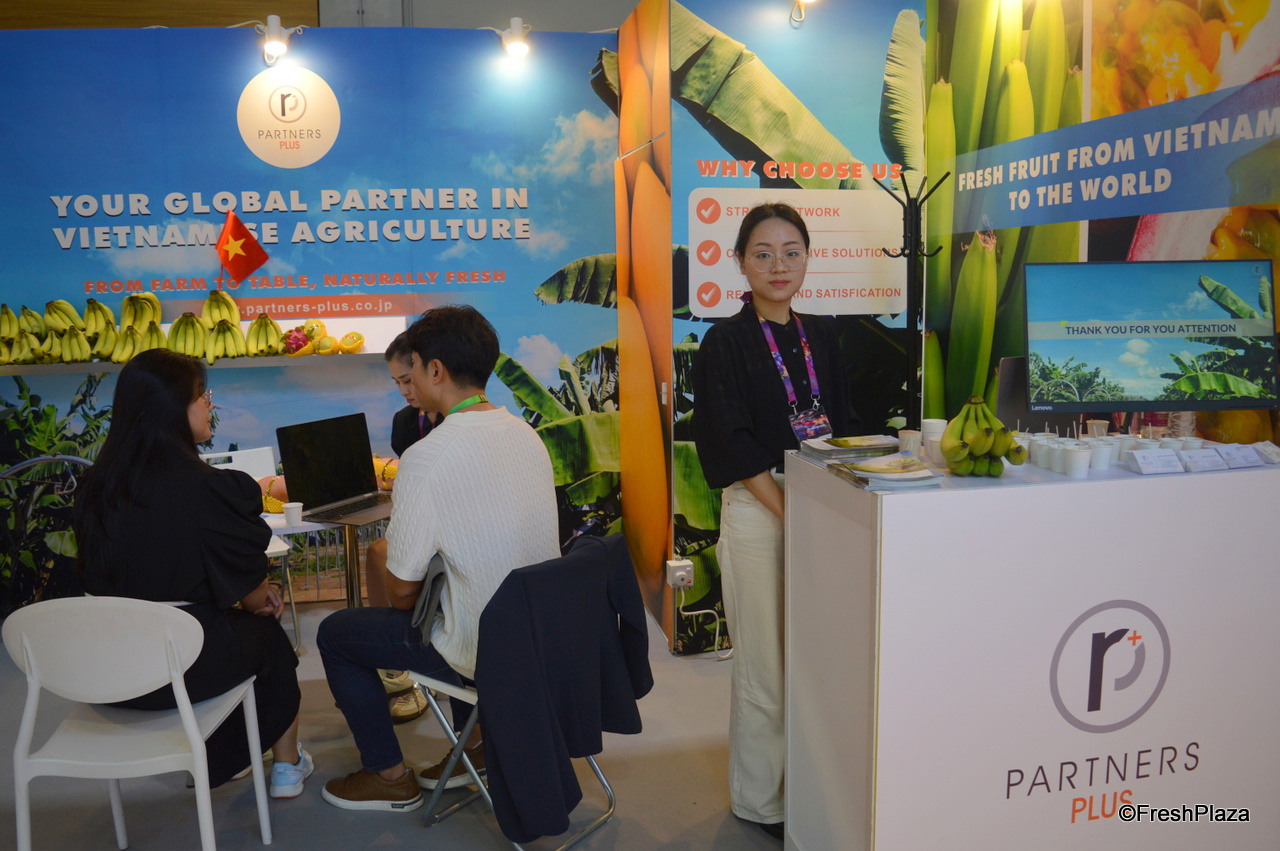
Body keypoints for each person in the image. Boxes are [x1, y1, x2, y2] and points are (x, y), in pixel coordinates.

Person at [318, 305, 559, 812]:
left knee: (336, 634)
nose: (406, 386)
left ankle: (386, 775)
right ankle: (479, 746)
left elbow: (402, 592)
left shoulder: (427, 456)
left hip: (479, 648)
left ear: (435, 370)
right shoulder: (526, 434)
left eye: (411, 370)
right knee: (455, 598)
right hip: (541, 636)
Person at [72, 349, 311, 798]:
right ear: (172, 408)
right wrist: (261, 595)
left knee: (230, 630)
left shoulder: (94, 487)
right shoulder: (209, 488)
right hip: (178, 670)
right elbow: (253, 598)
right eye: (202, 395)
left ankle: (230, 756)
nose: (210, 405)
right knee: (267, 638)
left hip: (107, 671)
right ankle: (285, 765)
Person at [691, 203, 853, 840]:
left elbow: (844, 427)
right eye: (763, 254)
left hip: (822, 501)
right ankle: (762, 801)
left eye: (791, 252)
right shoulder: (725, 342)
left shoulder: (824, 336)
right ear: (740, 262)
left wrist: (831, 510)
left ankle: (810, 789)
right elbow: (729, 443)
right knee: (765, 666)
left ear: (808, 258)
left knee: (817, 660)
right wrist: (793, 514)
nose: (778, 266)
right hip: (762, 508)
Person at [366, 331, 442, 724]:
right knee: (377, 552)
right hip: (420, 526)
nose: (404, 391)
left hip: (448, 533)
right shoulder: (403, 423)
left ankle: (407, 660)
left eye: (408, 380)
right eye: (396, 382)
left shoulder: (459, 423)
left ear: (432, 371)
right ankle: (396, 663)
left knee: (384, 554)